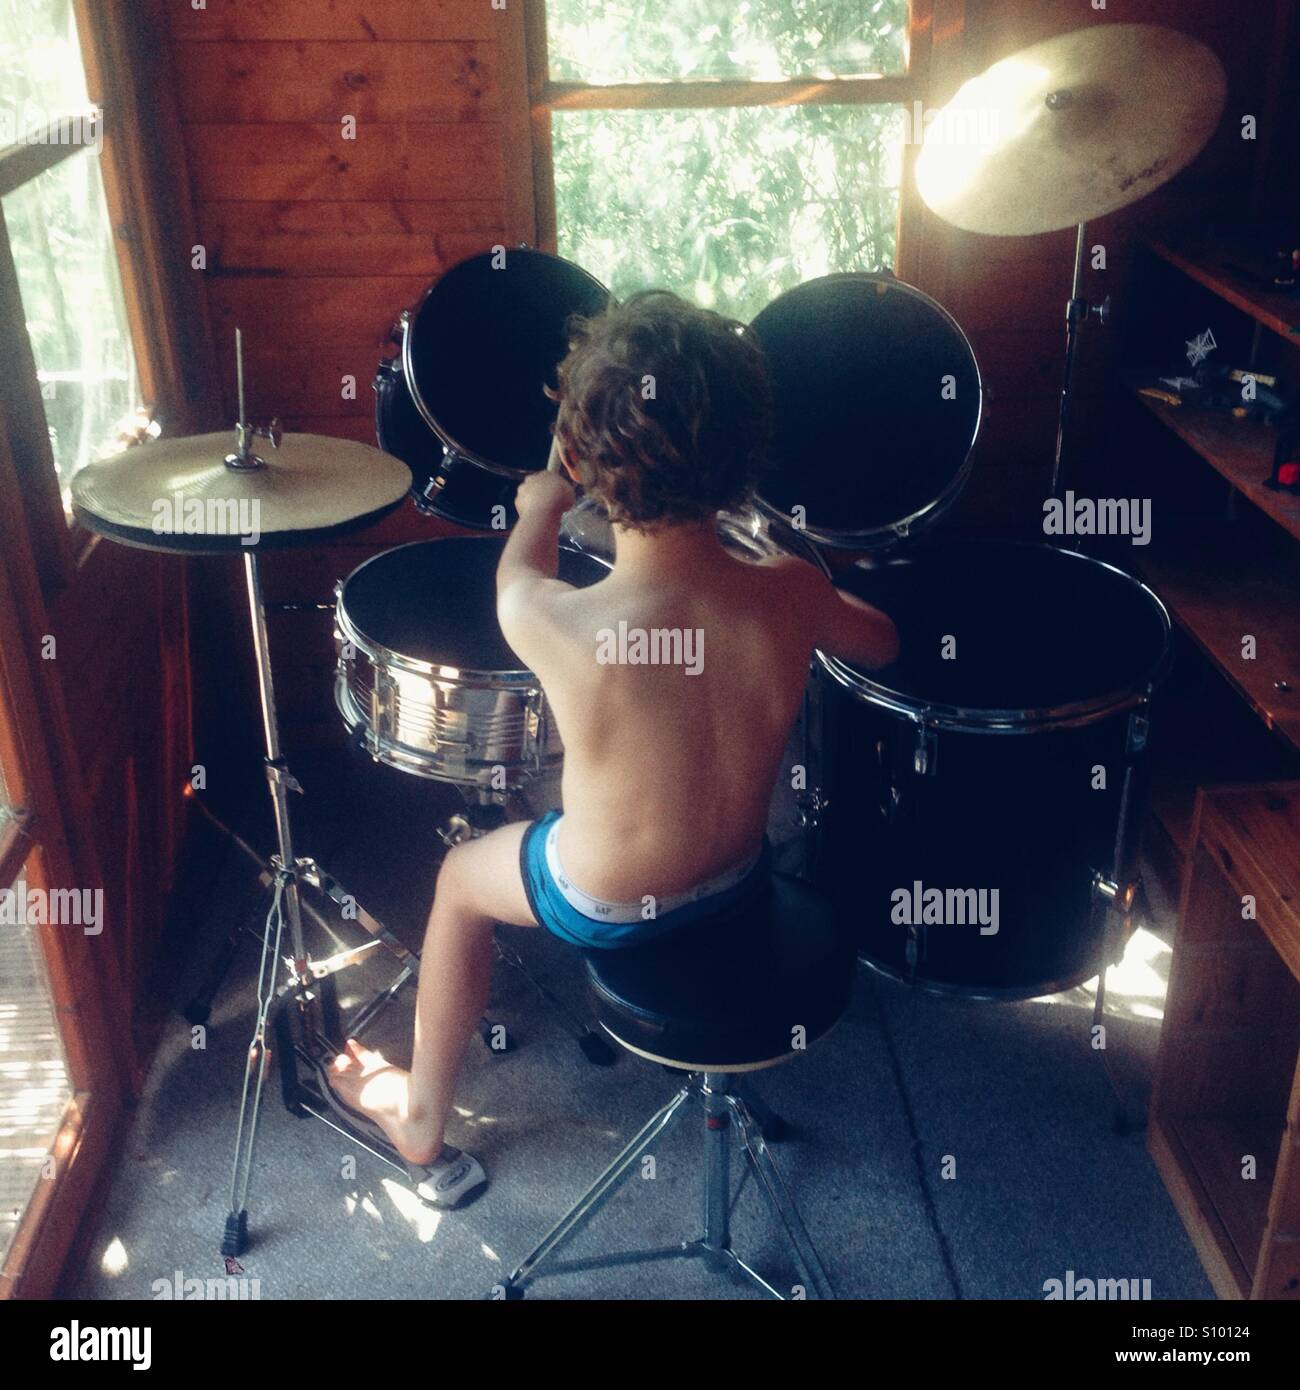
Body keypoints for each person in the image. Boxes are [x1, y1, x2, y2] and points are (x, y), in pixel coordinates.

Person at [327, 291, 897, 1205]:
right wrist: (800, 589)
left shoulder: (555, 617)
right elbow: (883, 643)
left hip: (608, 902)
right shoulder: (791, 592)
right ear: (746, 461)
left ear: (584, 457)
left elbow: (521, 564)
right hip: (744, 876)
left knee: (461, 880)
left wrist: (541, 506)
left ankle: (422, 1117)